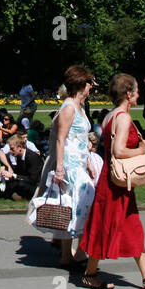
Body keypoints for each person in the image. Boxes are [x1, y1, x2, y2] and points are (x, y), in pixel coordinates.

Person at [81, 73, 145, 289]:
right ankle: (93, 274)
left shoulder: (111, 115)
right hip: (116, 184)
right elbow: (119, 150)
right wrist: (142, 150)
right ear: (128, 93)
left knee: (119, 226)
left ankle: (144, 275)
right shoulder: (122, 117)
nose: (139, 94)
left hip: (112, 181)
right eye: (137, 90)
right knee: (115, 225)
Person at [34, 65, 101, 268]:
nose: (92, 87)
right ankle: (70, 254)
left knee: (76, 207)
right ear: (81, 84)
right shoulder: (69, 108)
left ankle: (71, 254)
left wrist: (88, 160)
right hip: (71, 165)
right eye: (90, 83)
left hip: (79, 162)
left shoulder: (77, 107)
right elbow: (61, 140)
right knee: (75, 206)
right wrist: (60, 168)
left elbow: (79, 138)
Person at [0, 132, 42, 200]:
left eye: (12, 149)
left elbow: (32, 179)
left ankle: (8, 194)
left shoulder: (33, 157)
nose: (10, 151)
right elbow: (19, 172)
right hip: (27, 182)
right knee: (12, 183)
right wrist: (4, 173)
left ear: (20, 147)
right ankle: (10, 194)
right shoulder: (19, 156)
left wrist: (13, 175)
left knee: (19, 184)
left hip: (36, 186)